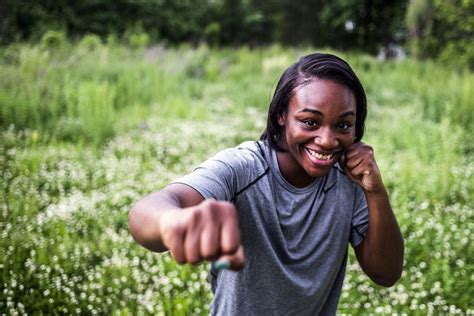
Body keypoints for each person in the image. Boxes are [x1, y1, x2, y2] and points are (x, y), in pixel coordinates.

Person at [128, 52, 404, 315]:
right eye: (310, 122)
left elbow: (386, 272)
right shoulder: (244, 168)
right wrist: (173, 223)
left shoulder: (349, 179)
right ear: (282, 115)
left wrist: (376, 192)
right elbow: (147, 211)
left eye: (343, 125)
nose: (327, 140)